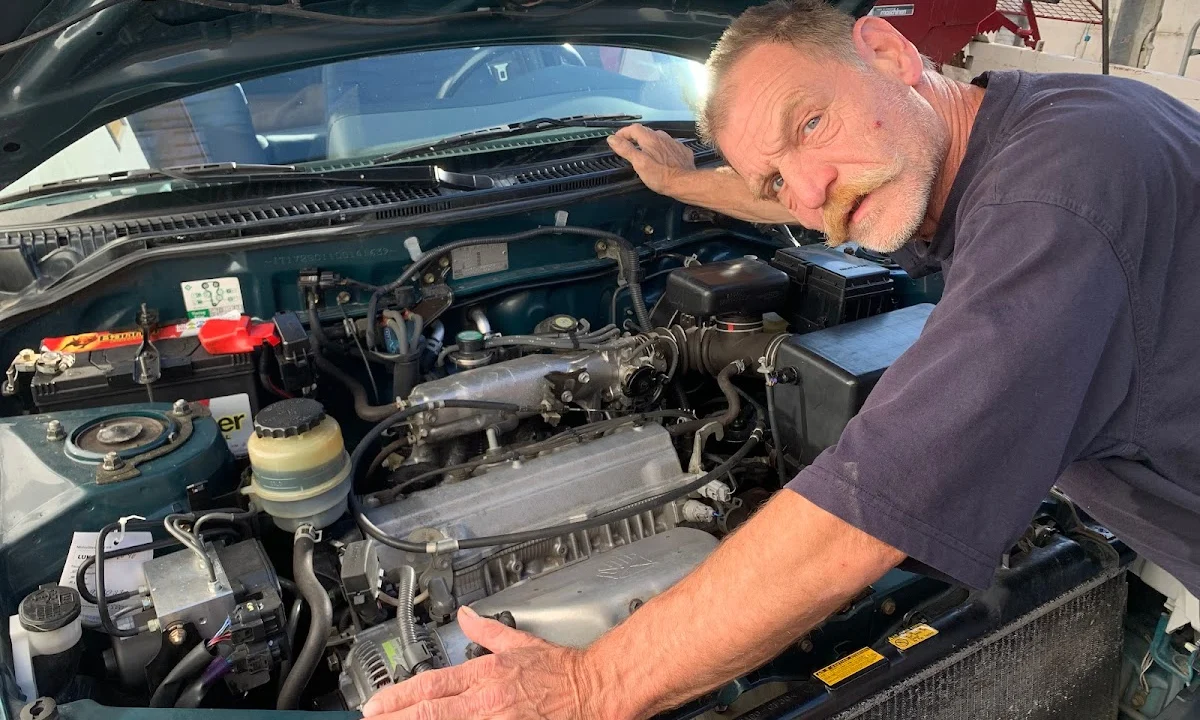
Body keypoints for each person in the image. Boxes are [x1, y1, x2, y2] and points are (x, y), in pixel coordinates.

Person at [362, 1, 1200, 718]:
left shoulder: (1055, 198)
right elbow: (811, 184)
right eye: (773, 184)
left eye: (808, 123)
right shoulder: (1015, 131)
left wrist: (591, 684)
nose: (810, 200)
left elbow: (883, 496)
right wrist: (690, 185)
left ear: (888, 51)